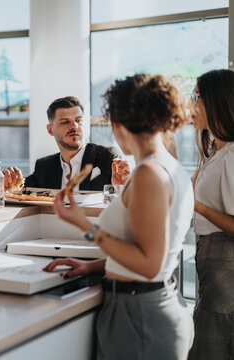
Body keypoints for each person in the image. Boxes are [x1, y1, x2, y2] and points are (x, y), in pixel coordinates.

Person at [43, 75, 194, 359]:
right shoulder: (167, 165)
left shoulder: (149, 173)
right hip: (150, 305)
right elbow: (148, 252)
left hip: (138, 315)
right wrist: (94, 266)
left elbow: (149, 264)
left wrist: (84, 224)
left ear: (119, 123)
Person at [188, 69, 234, 360]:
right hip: (209, 257)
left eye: (196, 96)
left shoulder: (230, 155)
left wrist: (196, 204)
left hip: (224, 260)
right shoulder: (215, 152)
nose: (191, 103)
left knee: (214, 343)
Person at [3, 96, 130, 191]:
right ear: (50, 130)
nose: (74, 126)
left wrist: (122, 187)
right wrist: (9, 181)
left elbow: (125, 196)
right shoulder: (44, 166)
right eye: (65, 122)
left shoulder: (108, 157)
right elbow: (21, 191)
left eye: (78, 121)